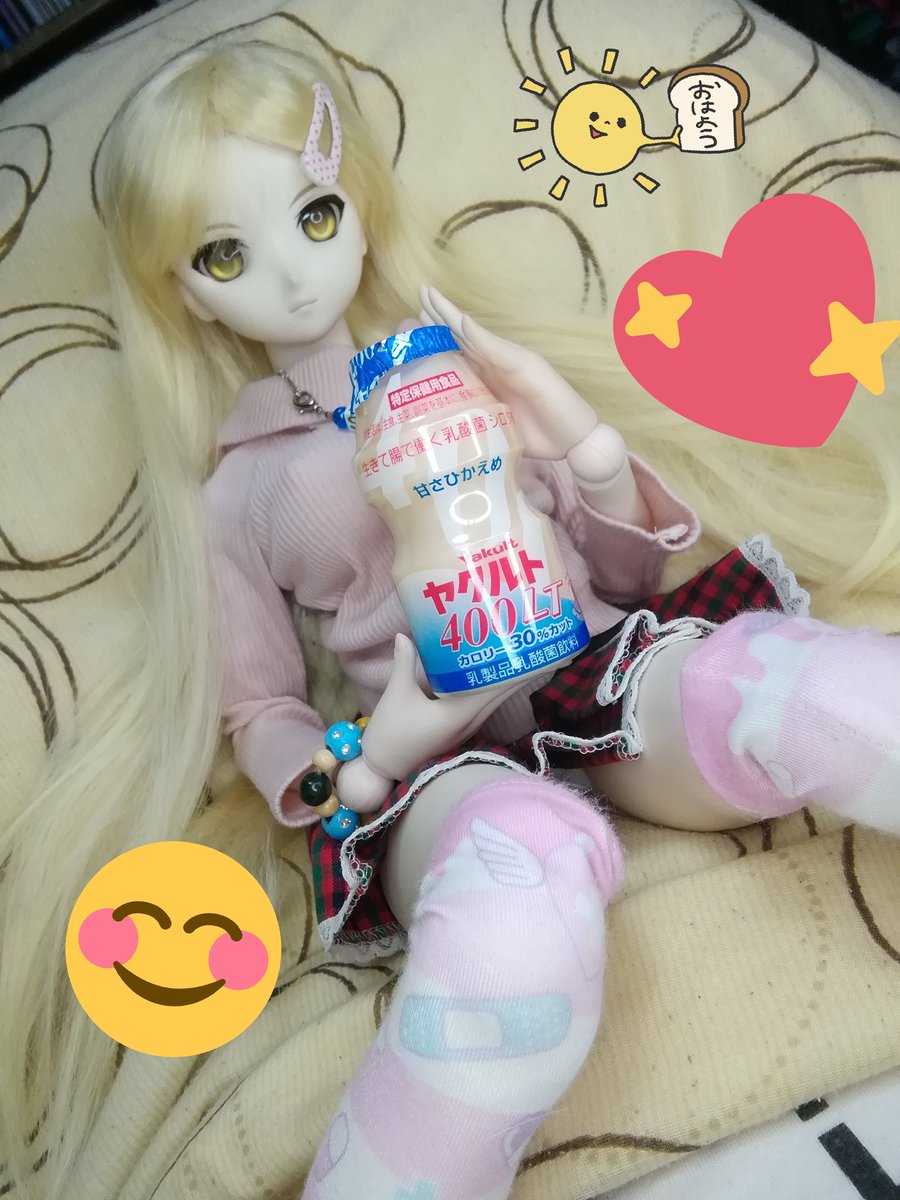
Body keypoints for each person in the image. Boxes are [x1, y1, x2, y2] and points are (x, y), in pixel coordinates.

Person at [1, 37, 898, 1200]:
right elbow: (260, 709)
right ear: (182, 289)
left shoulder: (457, 368)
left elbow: (627, 577)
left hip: (597, 672)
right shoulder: (236, 490)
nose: (290, 277)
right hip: (438, 765)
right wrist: (374, 757)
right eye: (227, 252)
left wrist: (584, 444)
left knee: (786, 687)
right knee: (512, 897)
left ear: (360, 207)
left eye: (315, 215)